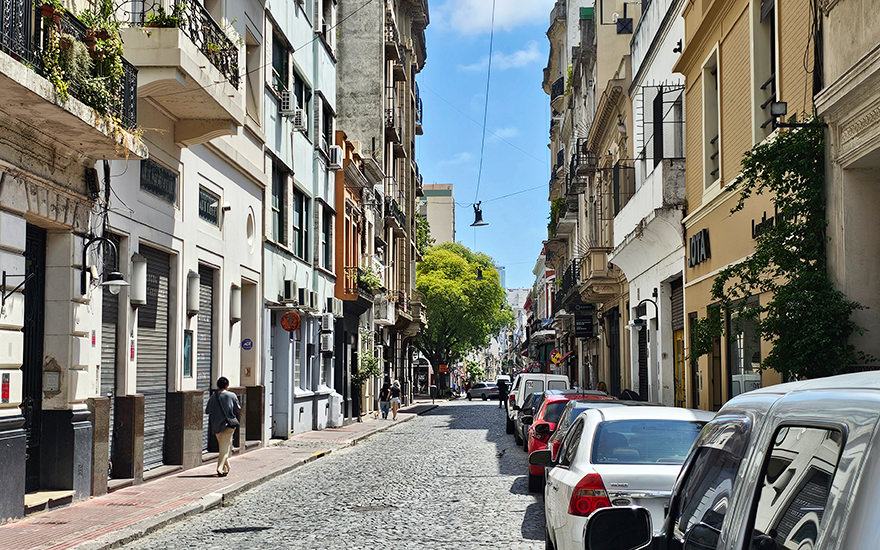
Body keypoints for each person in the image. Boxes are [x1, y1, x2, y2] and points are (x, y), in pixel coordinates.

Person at [205, 376, 241, 477]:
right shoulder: (232, 395)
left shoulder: (213, 396)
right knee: (224, 449)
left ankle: (227, 467)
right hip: (228, 425)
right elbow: (238, 409)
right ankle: (220, 468)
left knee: (223, 446)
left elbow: (207, 410)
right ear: (227, 385)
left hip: (216, 425)